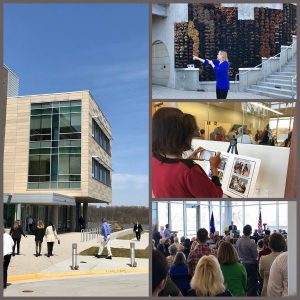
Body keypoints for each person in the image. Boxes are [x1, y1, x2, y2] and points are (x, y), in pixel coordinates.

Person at [152, 107, 223, 198]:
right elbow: (216, 196)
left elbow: (172, 170)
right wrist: (214, 168)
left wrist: (186, 160)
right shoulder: (190, 170)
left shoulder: (153, 157)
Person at [236, 225, 258, 296]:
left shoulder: (238, 241)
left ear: (243, 231)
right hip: (250, 265)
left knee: (243, 283)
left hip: (241, 264)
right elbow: (255, 256)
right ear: (251, 232)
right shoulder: (251, 242)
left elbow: (237, 252)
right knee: (252, 284)